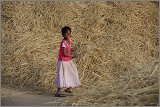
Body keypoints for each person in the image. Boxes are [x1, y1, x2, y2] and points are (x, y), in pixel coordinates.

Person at [54, 26, 81, 97]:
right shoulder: (63, 43)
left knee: (73, 72)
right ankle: (58, 92)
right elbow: (64, 53)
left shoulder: (69, 40)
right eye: (66, 34)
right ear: (63, 34)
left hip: (68, 61)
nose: (68, 35)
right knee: (62, 75)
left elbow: (69, 50)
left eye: (69, 33)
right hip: (63, 62)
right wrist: (73, 55)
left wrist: (75, 54)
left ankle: (68, 88)